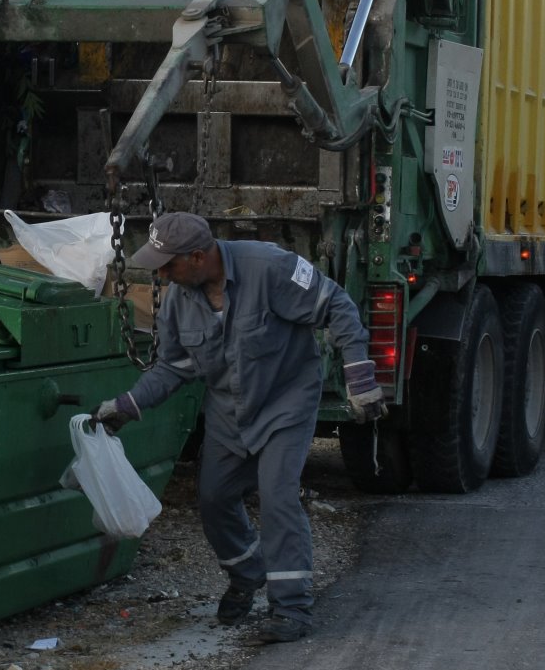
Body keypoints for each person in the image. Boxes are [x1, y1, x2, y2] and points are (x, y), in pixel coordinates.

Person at [94, 212, 381, 644]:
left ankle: (291, 608)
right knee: (213, 498)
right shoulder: (178, 299)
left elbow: (335, 305)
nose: (161, 273)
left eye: (167, 264)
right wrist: (129, 404)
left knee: (279, 496)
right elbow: (174, 367)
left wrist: (358, 374)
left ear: (197, 257)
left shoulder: (269, 267)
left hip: (285, 402)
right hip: (230, 412)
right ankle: (248, 575)